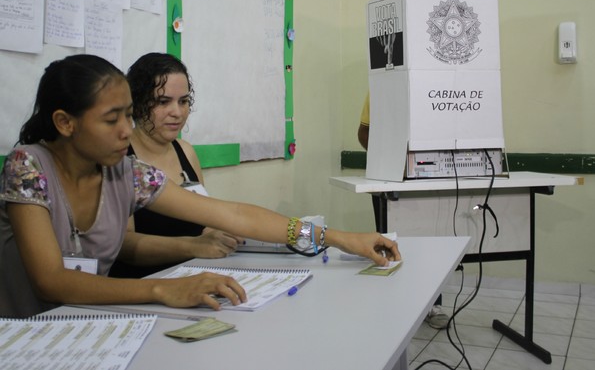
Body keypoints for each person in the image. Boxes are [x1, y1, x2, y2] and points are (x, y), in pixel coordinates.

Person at [0, 54, 400, 318]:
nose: (126, 130)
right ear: (65, 122)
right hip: (28, 336)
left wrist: (335, 236)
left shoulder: (126, 172)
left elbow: (236, 215)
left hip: (93, 324)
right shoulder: (29, 166)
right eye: (111, 120)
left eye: (127, 115)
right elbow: (50, 280)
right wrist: (164, 290)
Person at [110, 53, 242, 279]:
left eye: (183, 101)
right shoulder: (119, 158)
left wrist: (222, 235)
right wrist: (194, 246)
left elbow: (205, 221)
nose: (177, 112)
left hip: (195, 273)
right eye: (163, 102)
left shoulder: (186, 151)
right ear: (138, 102)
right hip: (144, 284)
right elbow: (124, 246)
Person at [357, 92, 447, 329]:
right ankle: (392, 302)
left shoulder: (430, 89)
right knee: (388, 241)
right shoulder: (378, 88)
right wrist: (387, 156)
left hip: (425, 178)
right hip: (387, 178)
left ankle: (432, 304)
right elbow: (363, 133)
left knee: (427, 244)